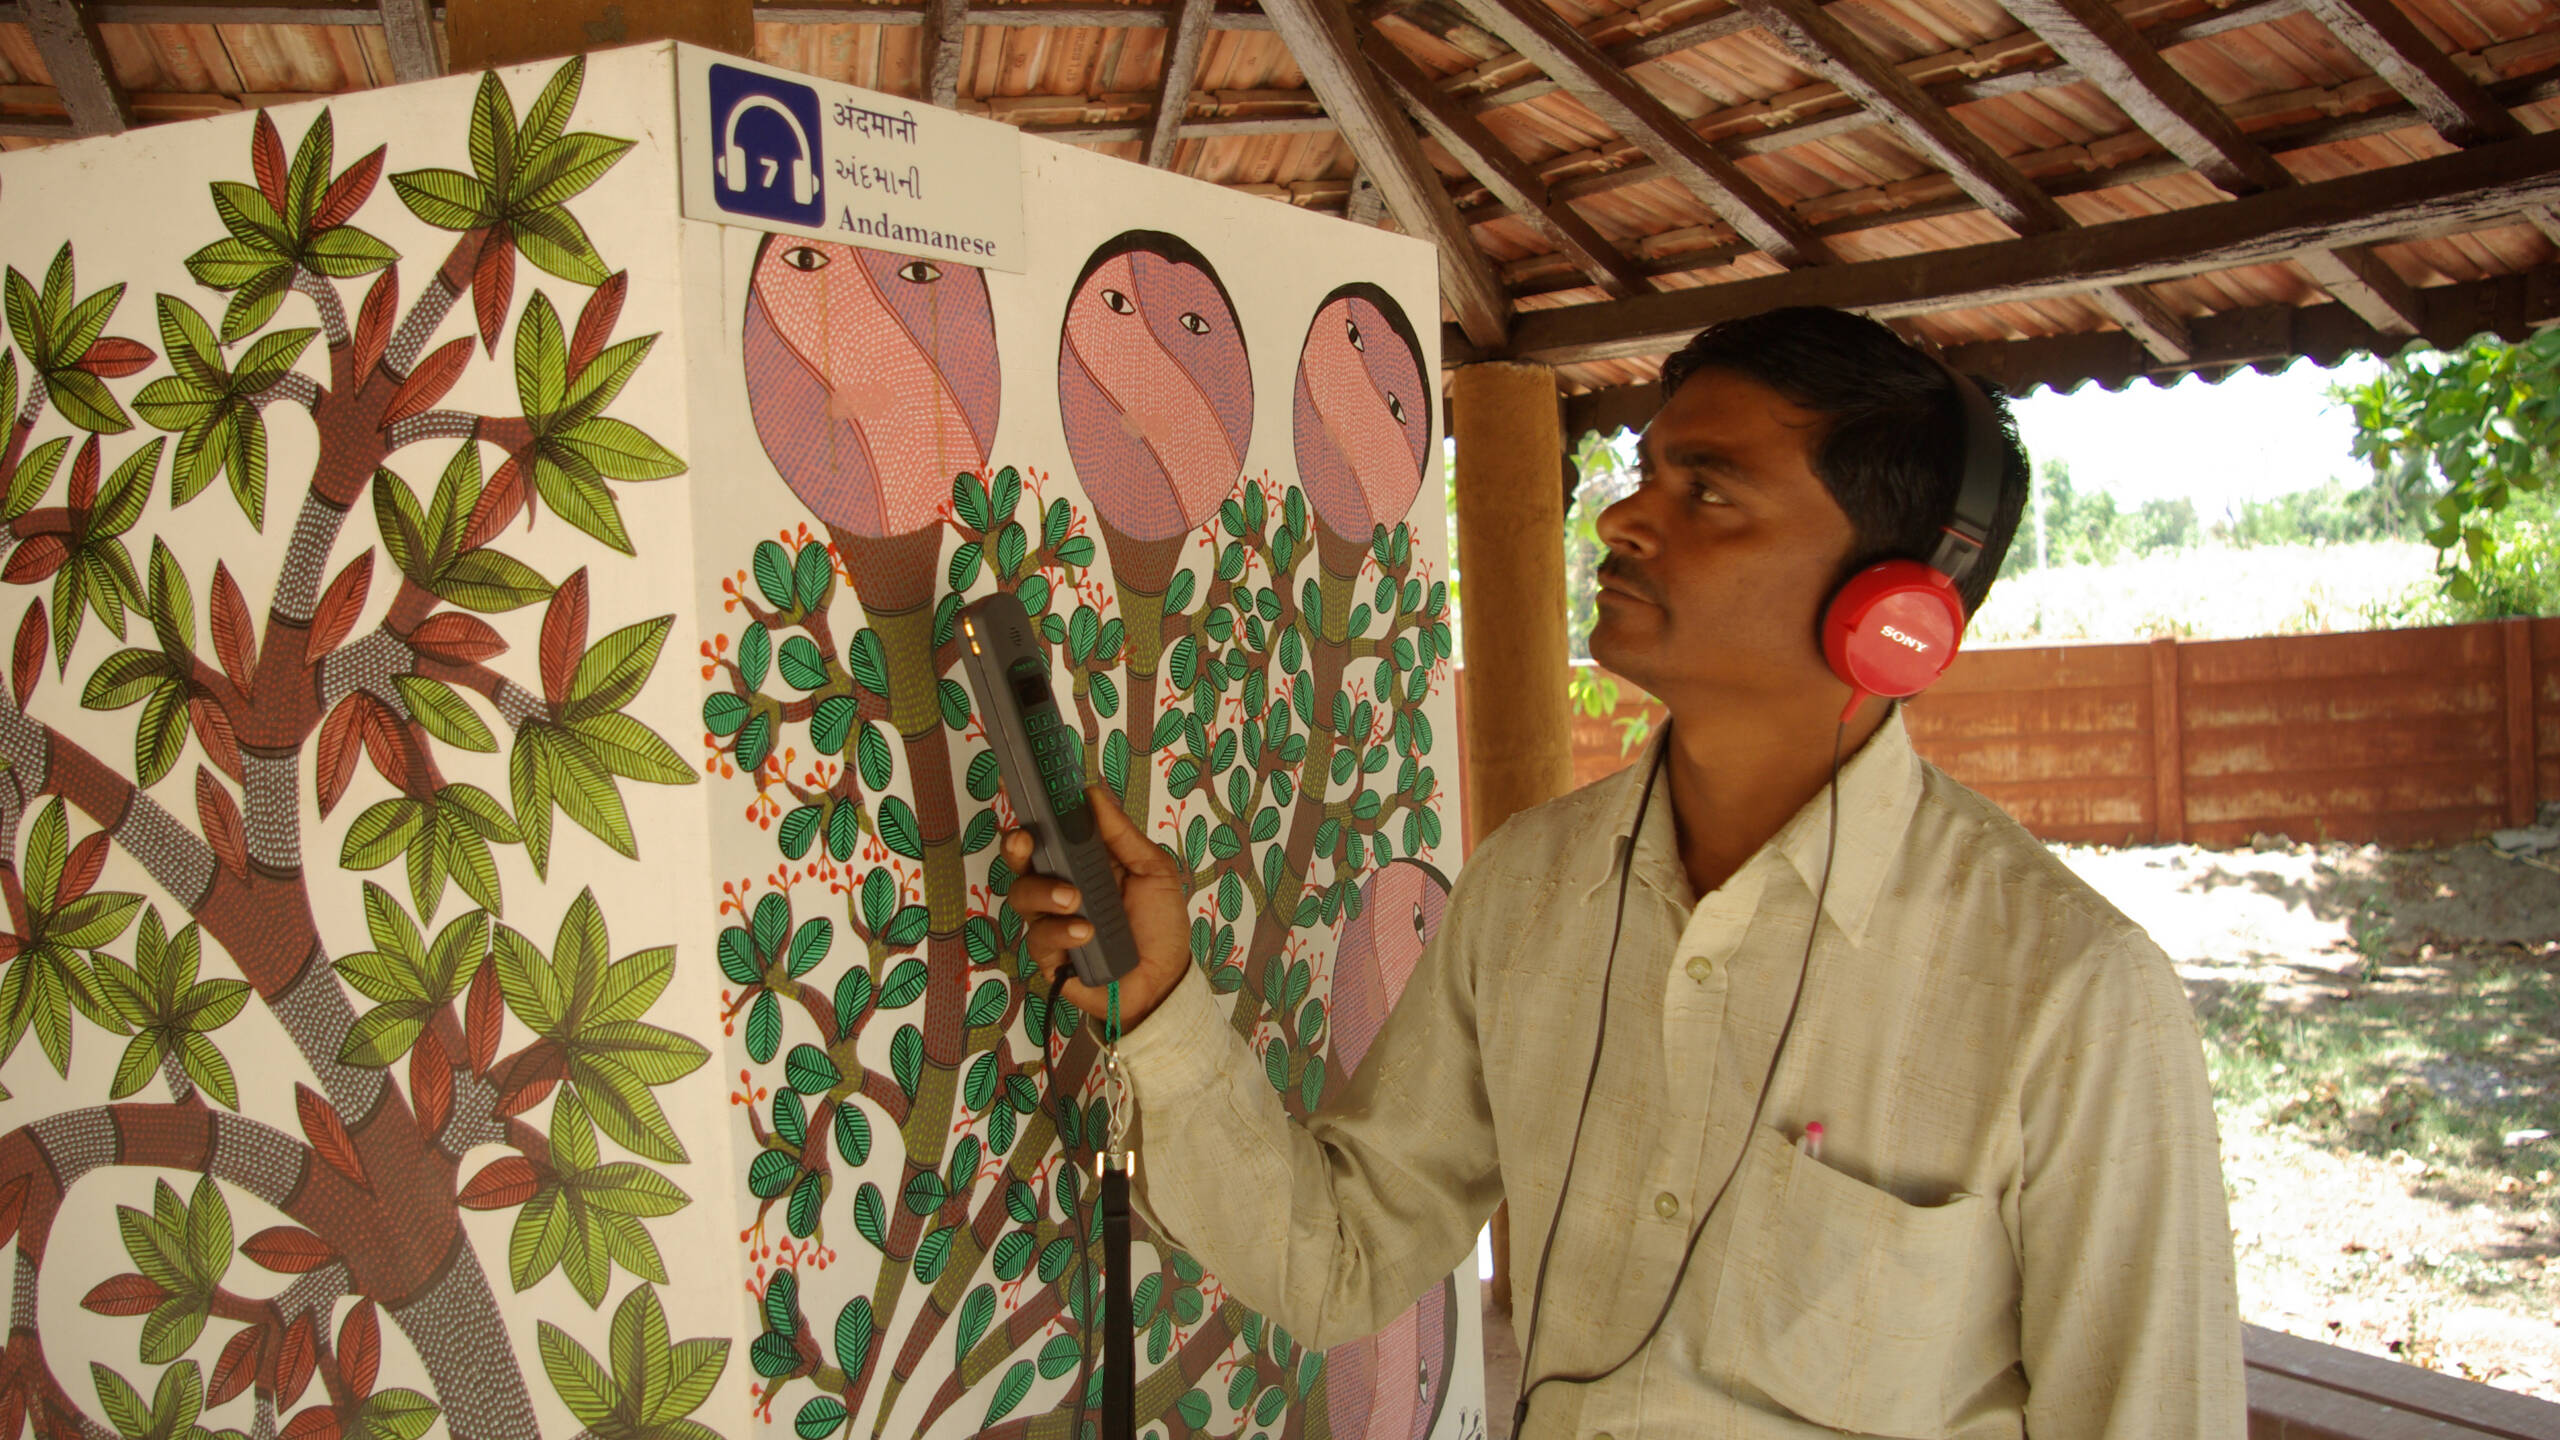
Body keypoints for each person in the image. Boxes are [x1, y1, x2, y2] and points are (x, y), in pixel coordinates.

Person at [1002, 306, 2245, 1438]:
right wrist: (1161, 1009)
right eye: (1648, 470)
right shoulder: (1530, 891)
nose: (1621, 516)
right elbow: (1340, 1261)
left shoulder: (2072, 994)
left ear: (1893, 608)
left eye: (1709, 492)